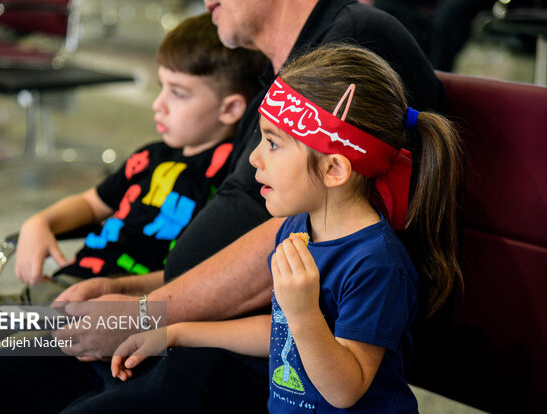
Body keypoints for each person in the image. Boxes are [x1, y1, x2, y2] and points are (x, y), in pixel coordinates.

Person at [0, 1, 449, 412]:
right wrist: (134, 298)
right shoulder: (215, 154)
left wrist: (143, 315)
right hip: (124, 303)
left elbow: (288, 299)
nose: (254, 158)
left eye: (179, 92)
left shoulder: (349, 47)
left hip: (173, 334)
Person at [111, 44, 462, 413]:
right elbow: (282, 334)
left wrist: (303, 312)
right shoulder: (297, 228)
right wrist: (178, 332)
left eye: (274, 144)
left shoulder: (376, 265)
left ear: (334, 170)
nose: (254, 157)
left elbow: (346, 389)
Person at [0, 12, 267, 365]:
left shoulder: (230, 179)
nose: (158, 103)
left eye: (178, 93)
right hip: (53, 292)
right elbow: (90, 203)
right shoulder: (149, 156)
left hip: (116, 313)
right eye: (161, 87)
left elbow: (204, 275)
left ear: (231, 108)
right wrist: (41, 222)